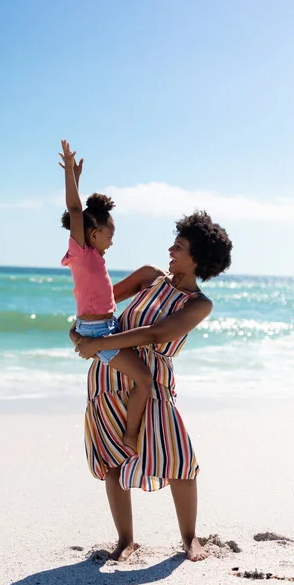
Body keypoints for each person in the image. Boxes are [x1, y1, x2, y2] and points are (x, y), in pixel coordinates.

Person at [70, 211, 233, 562]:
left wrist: (98, 344)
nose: (170, 249)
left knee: (178, 458)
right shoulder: (149, 276)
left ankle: (189, 538)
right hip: (108, 374)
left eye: (180, 246)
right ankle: (125, 540)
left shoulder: (199, 304)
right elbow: (97, 300)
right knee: (112, 459)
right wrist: (81, 329)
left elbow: (158, 334)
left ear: (198, 258)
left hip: (153, 383)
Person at [59, 139, 152, 451]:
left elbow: (80, 214)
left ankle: (80, 341)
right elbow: (75, 210)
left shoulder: (95, 256)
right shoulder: (82, 254)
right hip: (99, 330)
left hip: (98, 328)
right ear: (94, 235)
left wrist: (78, 178)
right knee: (145, 379)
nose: (112, 241)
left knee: (140, 360)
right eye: (110, 236)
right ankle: (130, 434)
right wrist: (70, 173)